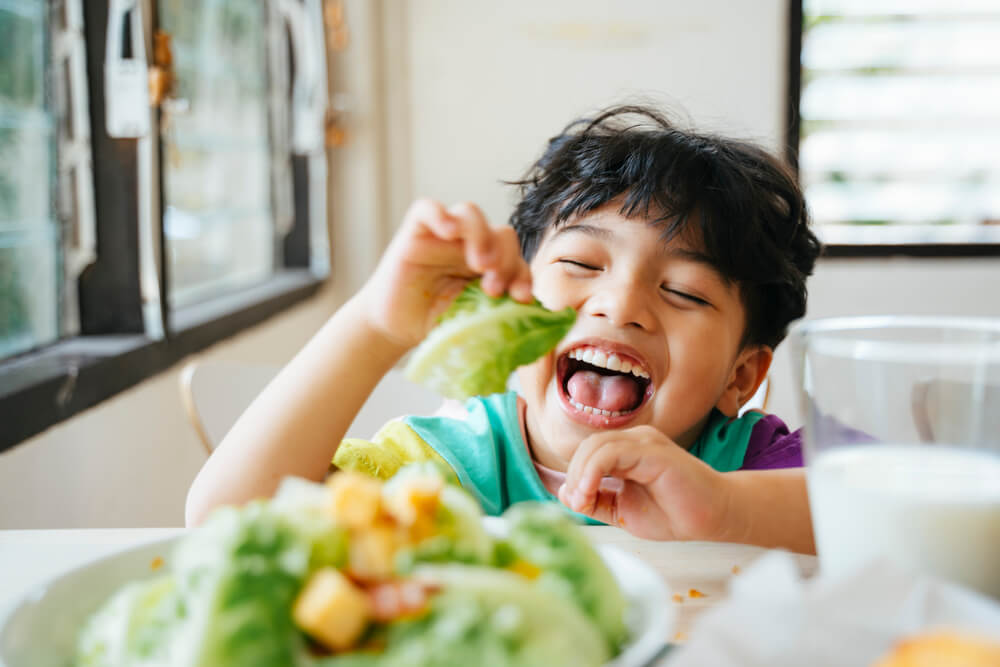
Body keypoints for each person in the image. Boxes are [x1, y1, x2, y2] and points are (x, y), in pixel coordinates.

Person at [186, 105, 822, 553]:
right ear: (514, 296)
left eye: (683, 291)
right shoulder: (444, 470)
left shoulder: (751, 467)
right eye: (580, 263)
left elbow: (893, 516)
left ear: (741, 376)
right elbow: (226, 523)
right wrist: (374, 327)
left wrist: (725, 508)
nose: (619, 305)